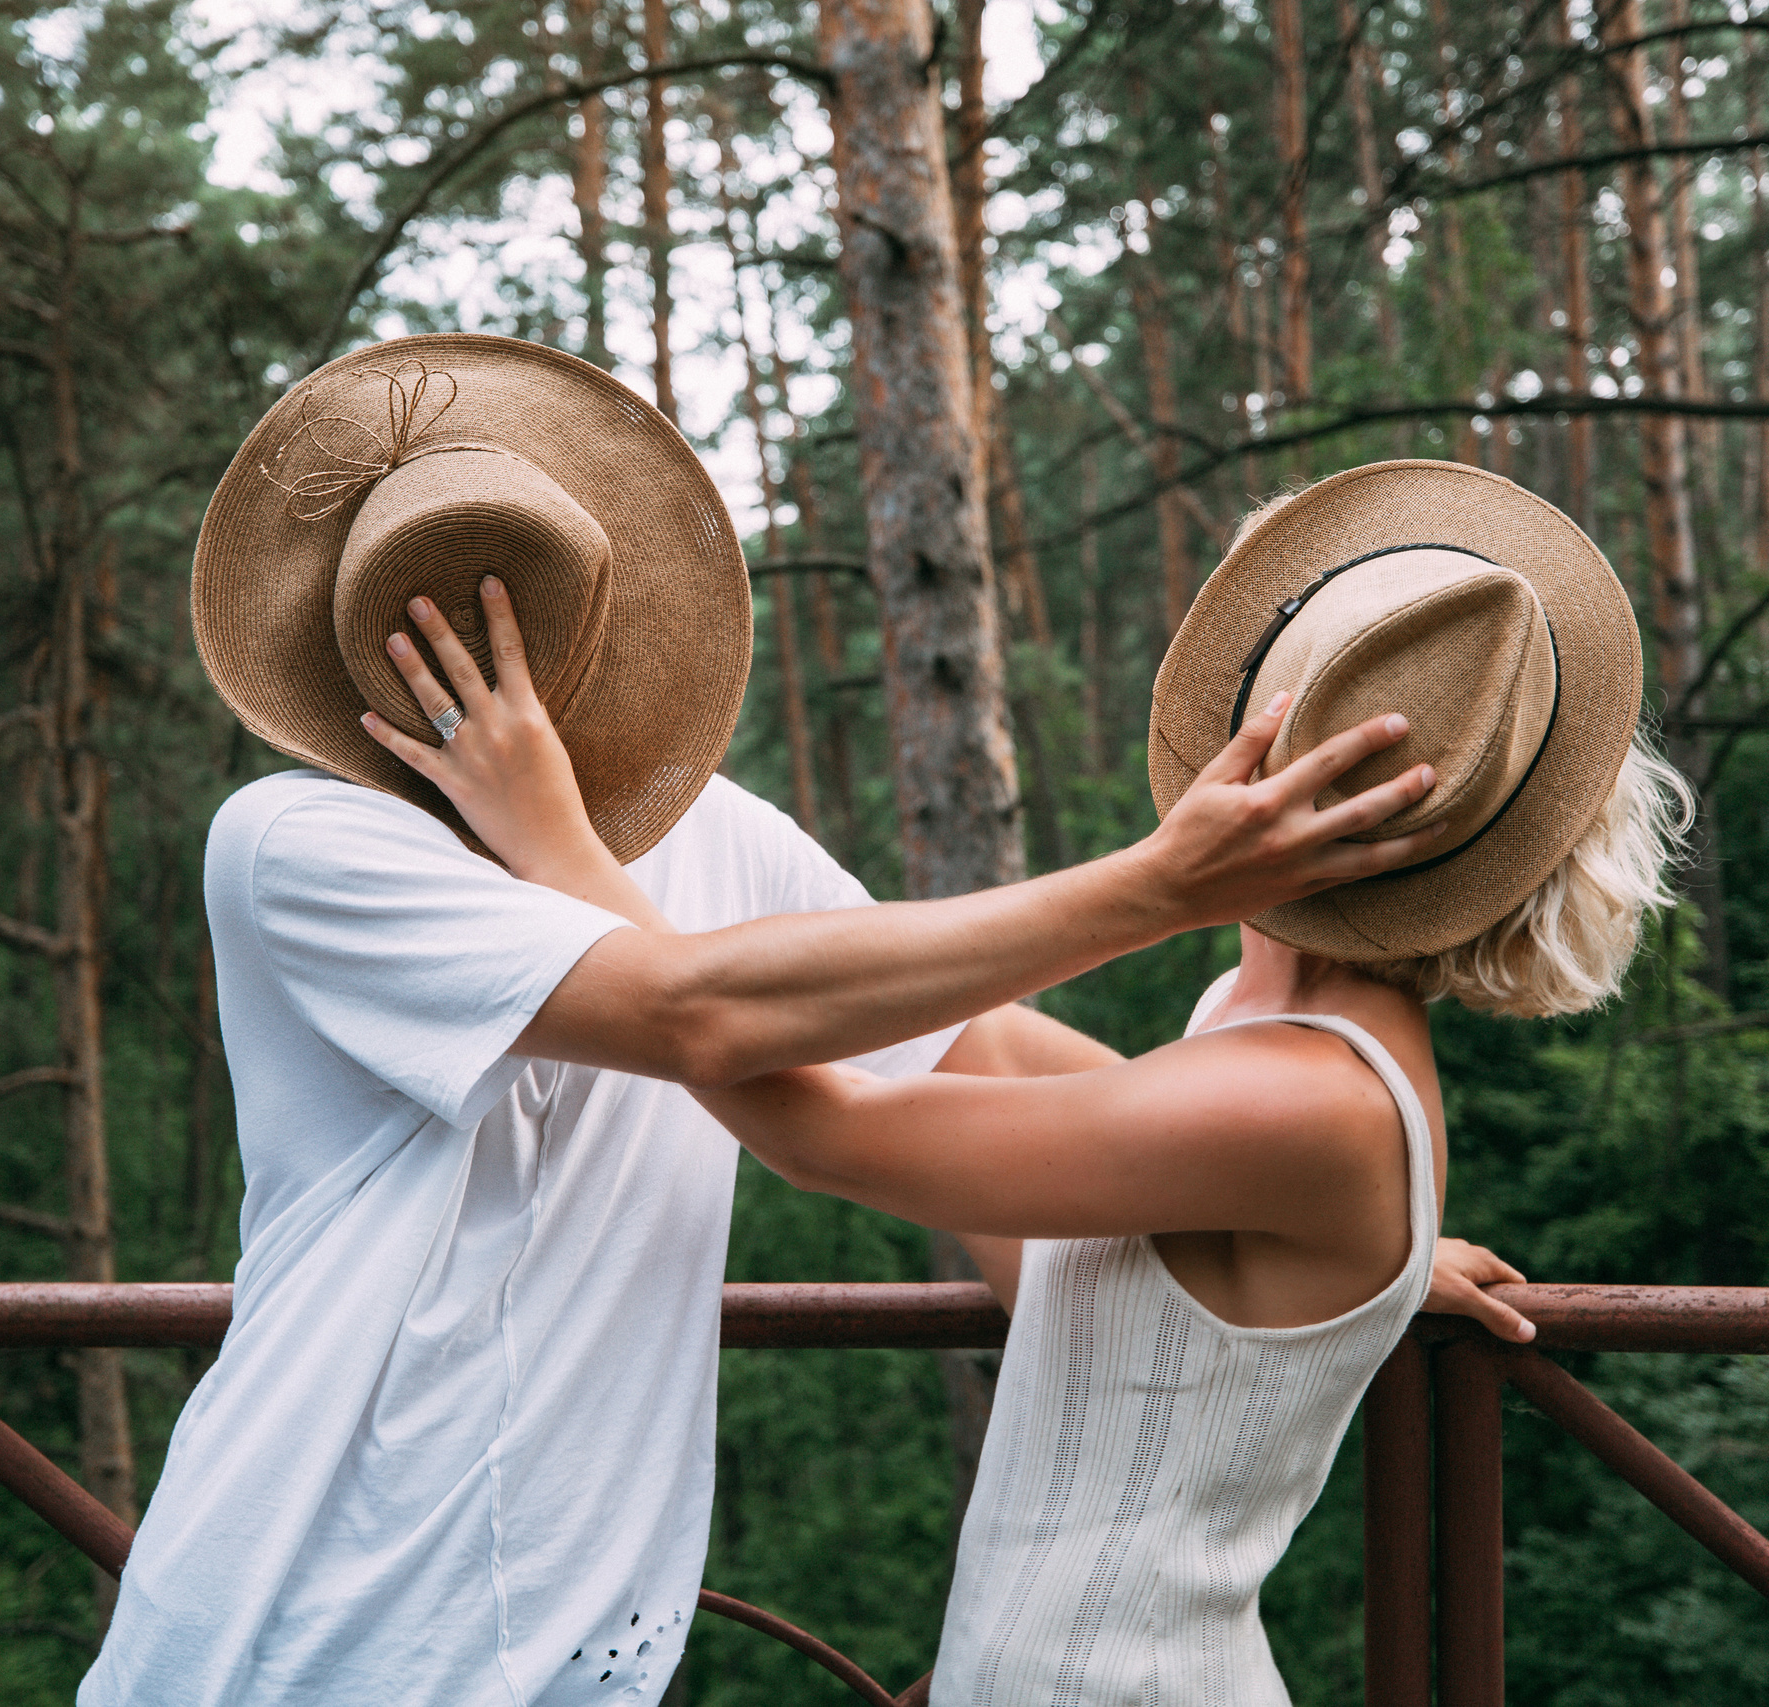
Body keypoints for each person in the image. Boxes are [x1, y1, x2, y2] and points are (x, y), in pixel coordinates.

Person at [85, 338, 1467, 1707]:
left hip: (584, 1657)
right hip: (290, 1639)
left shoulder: (718, 839)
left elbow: (985, 1054)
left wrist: (1303, 1225)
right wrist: (1159, 889)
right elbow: (693, 1015)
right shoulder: (291, 846)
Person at [375, 458, 1687, 1706]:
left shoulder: (1307, 1102)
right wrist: (1376, 1267)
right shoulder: (1255, 1026)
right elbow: (986, 1054)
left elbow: (821, 1126)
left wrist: (558, 850)